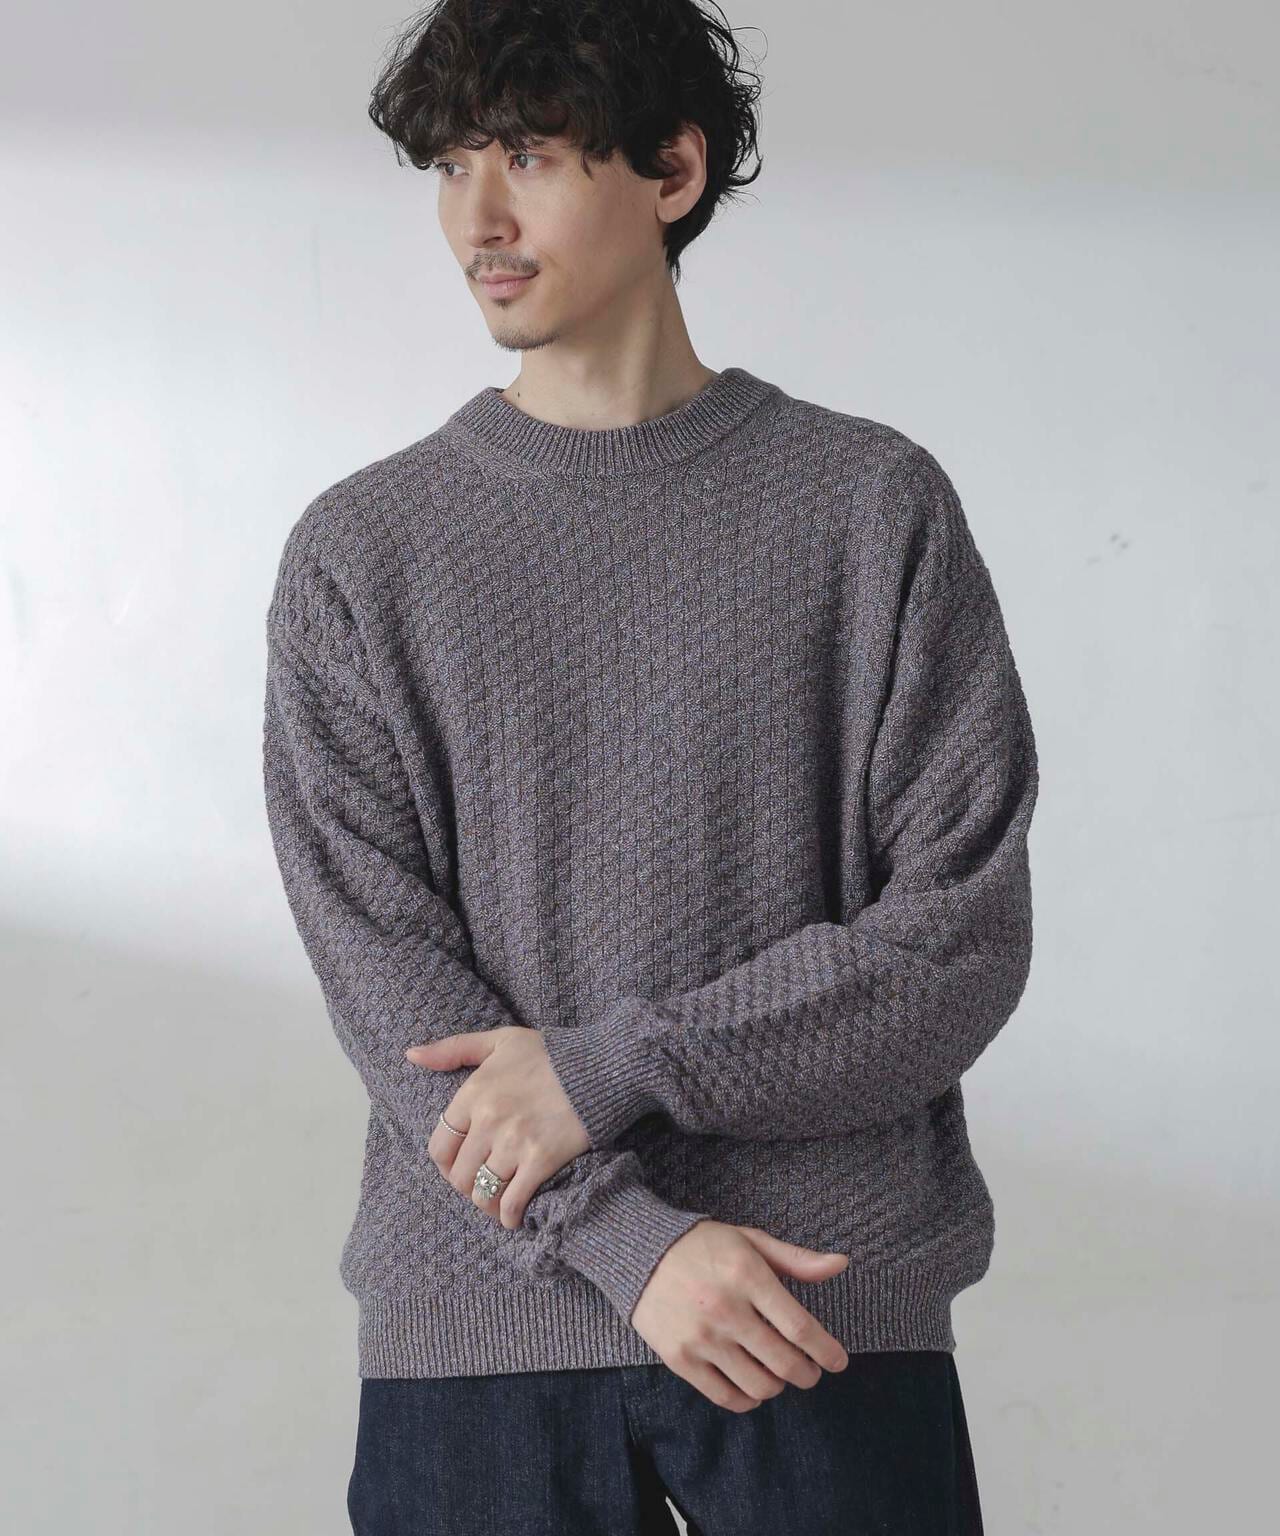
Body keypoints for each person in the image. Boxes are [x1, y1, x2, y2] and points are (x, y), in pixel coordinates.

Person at [261, 2, 1038, 1531]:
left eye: (530, 156)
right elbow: (388, 993)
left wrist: (613, 1068)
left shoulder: (870, 509)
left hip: (815, 1320)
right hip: (482, 1344)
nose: (477, 219)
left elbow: (960, 944)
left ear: (671, 171)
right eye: (451, 167)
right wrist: (631, 1243)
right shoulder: (365, 553)